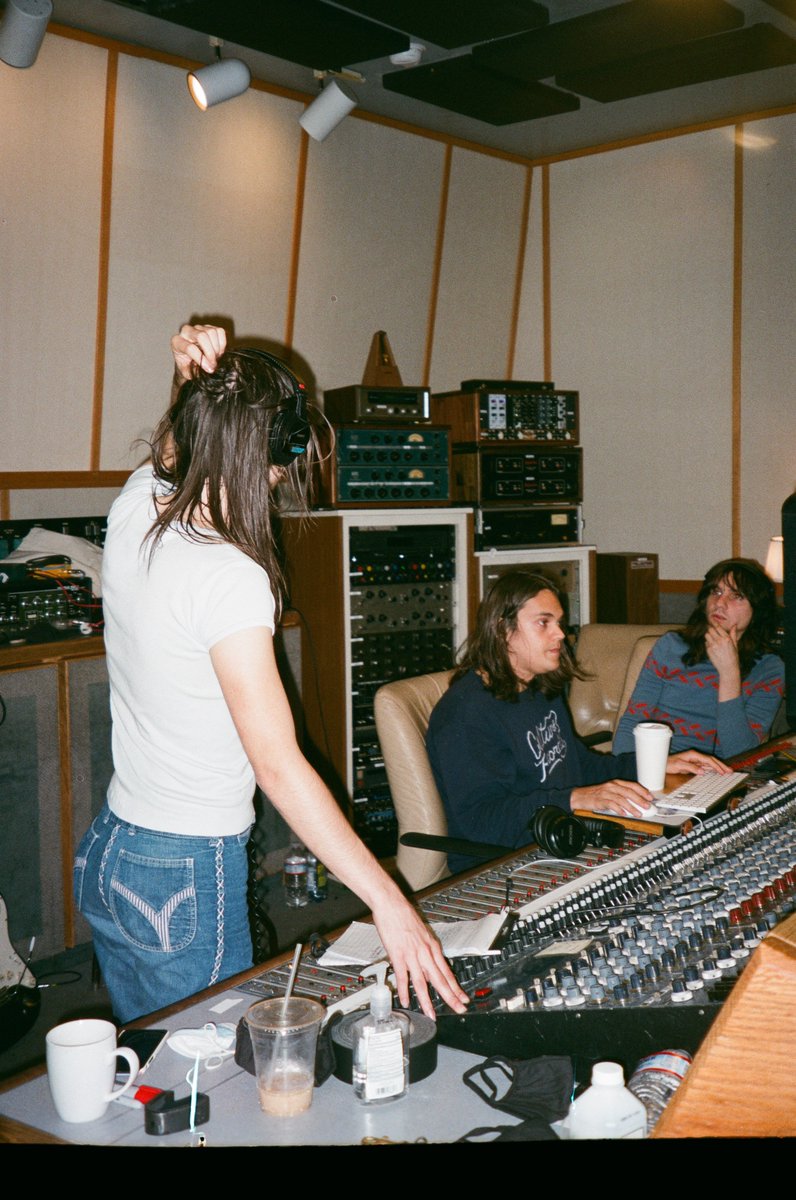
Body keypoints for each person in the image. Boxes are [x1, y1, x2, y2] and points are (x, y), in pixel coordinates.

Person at [74, 322, 467, 1024]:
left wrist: (191, 383)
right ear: (275, 456)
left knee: (159, 1076)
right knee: (213, 1079)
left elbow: (176, 450)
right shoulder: (230, 576)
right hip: (187, 870)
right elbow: (278, 766)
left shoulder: (134, 508)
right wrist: (390, 903)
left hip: (115, 849)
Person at [426, 570, 727, 874]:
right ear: (503, 629)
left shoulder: (540, 688)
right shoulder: (465, 714)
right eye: (544, 622)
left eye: (559, 622)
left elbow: (577, 764)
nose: (560, 634)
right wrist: (574, 798)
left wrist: (653, 764)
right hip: (507, 865)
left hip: (563, 837)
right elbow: (483, 820)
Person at [613, 558, 784, 758]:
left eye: (736, 596)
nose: (720, 603)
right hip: (659, 766)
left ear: (757, 610)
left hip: (719, 776)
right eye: (716, 592)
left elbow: (741, 753)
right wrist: (629, 772)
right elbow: (633, 723)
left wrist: (729, 673)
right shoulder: (671, 647)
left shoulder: (769, 669)